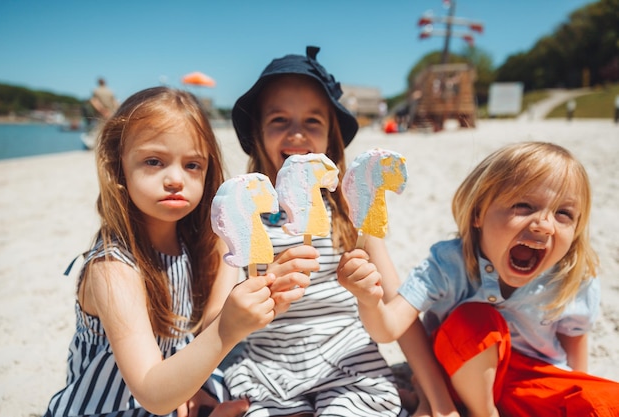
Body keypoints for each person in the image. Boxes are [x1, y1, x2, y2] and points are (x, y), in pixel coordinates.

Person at [43, 87, 279, 417]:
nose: (175, 179)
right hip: (114, 406)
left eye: (192, 165)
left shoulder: (201, 245)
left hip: (178, 388)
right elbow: (152, 391)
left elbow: (207, 326)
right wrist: (230, 327)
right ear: (117, 166)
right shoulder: (112, 269)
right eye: (154, 161)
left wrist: (266, 285)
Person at [339, 141, 619, 416]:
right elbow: (387, 329)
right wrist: (368, 299)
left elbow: (575, 348)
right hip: (460, 368)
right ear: (478, 214)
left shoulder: (571, 275)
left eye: (563, 214)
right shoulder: (450, 264)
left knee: (606, 403)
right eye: (523, 205)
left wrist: (581, 391)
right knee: (474, 321)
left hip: (531, 379)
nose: (545, 224)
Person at [223, 46, 422, 417]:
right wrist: (260, 291)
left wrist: (435, 396)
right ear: (257, 132)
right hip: (268, 368)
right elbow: (217, 317)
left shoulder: (350, 211)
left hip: (348, 362)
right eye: (279, 119)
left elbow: (398, 307)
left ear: (331, 139)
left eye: (313, 121)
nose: (297, 133)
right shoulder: (241, 212)